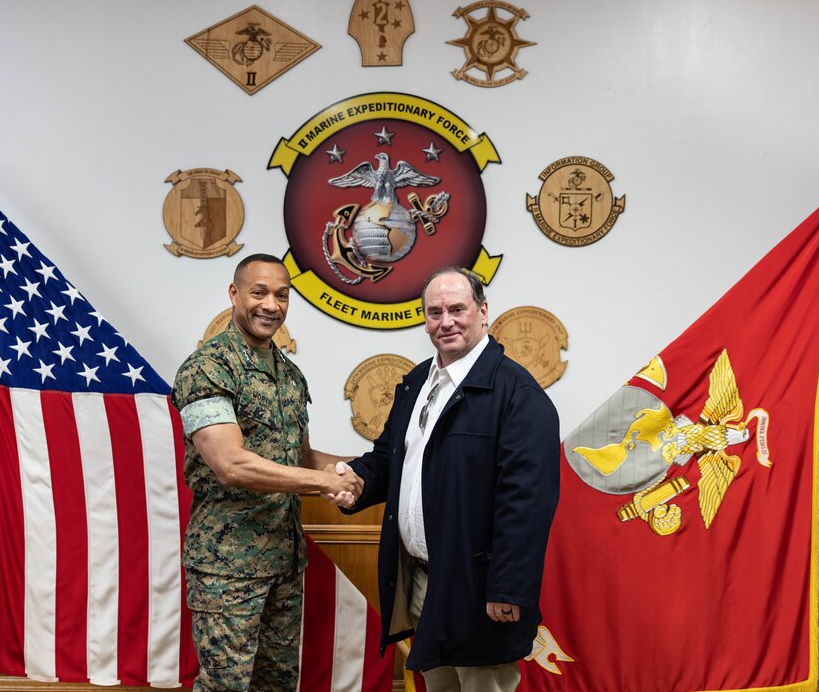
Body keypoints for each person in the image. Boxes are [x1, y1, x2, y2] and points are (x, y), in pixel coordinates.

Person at [342, 267, 560, 691]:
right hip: (422, 582)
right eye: (434, 312)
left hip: (480, 593)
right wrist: (353, 480)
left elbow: (526, 502)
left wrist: (508, 589)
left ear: (482, 311)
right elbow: (391, 459)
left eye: (457, 309)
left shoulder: (518, 395)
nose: (446, 322)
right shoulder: (416, 383)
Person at [172, 253, 362, 691]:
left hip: (283, 563)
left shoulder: (288, 374)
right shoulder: (208, 367)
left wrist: (366, 471)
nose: (271, 305)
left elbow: (300, 456)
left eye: (282, 295)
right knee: (226, 687)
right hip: (227, 567)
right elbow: (230, 464)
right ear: (235, 294)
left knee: (276, 685)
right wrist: (324, 482)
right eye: (259, 292)